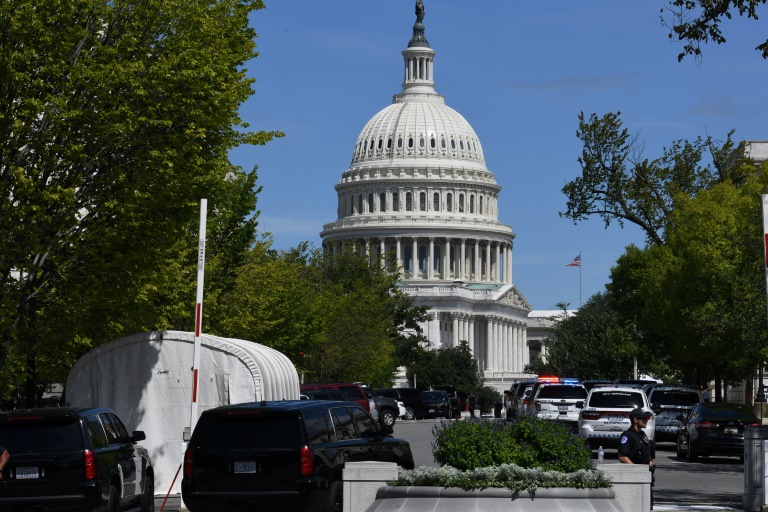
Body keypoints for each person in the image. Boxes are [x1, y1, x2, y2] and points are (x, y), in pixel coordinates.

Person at [619, 408, 655, 508]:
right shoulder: (627, 436)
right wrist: (636, 470)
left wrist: (650, 462)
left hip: (646, 476)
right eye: (643, 418)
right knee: (636, 506)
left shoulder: (642, 435)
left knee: (647, 506)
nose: (646, 420)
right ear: (635, 420)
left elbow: (647, 452)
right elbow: (622, 456)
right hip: (635, 477)